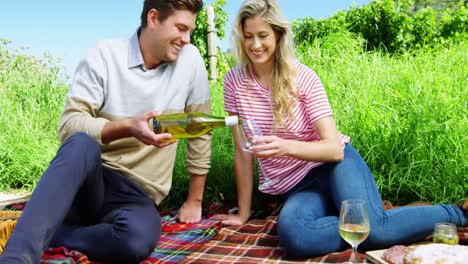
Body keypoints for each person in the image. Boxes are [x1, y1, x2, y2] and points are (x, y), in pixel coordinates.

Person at [211, 0, 468, 258]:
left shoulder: (303, 77)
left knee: (374, 232)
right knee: (296, 236)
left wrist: (285, 146)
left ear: (278, 35)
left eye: (263, 36)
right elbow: (242, 151)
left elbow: (333, 149)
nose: (255, 45)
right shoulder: (233, 82)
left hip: (336, 166)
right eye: (248, 37)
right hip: (299, 187)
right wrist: (243, 215)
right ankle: (368, 215)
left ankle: (457, 212)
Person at [0, 0, 211, 263]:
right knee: (80, 143)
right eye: (180, 28)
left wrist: (195, 200)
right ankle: (16, 258)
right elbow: (69, 125)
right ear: (154, 18)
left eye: (190, 30)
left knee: (134, 240)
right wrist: (126, 127)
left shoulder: (189, 60)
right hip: (92, 178)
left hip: (137, 194)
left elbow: (199, 129)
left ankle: (52, 233)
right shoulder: (105, 54)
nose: (186, 39)